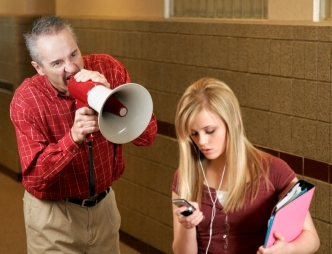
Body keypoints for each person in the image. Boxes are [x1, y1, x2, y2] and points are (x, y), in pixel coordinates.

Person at [10, 15, 157, 254]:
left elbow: (147, 135)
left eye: (73, 54)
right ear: (39, 67)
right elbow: (34, 178)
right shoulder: (27, 100)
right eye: (56, 63)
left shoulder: (107, 68)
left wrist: (112, 98)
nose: (71, 68)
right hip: (53, 216)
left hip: (104, 208)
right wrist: (73, 138)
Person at [171, 77, 319, 254]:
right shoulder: (185, 177)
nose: (202, 142)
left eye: (210, 131)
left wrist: (287, 249)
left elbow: (312, 239)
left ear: (232, 122)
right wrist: (188, 226)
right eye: (194, 134)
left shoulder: (274, 171)